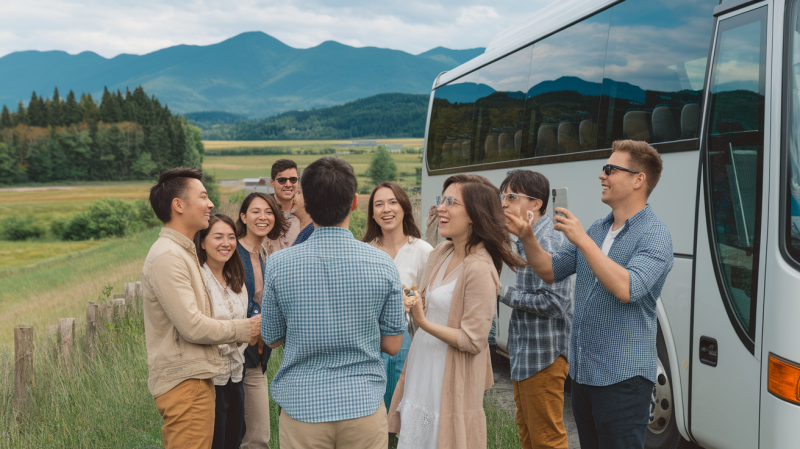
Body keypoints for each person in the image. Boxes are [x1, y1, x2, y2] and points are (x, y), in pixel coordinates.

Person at [508, 140, 674, 449]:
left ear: (639, 179)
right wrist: (527, 236)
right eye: (603, 168)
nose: (602, 175)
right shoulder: (599, 228)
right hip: (584, 375)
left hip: (623, 380)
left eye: (611, 169)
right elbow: (549, 270)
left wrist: (583, 241)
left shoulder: (655, 234)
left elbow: (629, 287)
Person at [260, 156, 406, 449]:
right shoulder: (382, 263)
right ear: (354, 202)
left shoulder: (278, 264)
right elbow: (392, 345)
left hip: (302, 408)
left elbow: (272, 338)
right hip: (363, 406)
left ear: (307, 204)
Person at [388, 174, 526, 449]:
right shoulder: (441, 252)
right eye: (443, 200)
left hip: (449, 375)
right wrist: (415, 303)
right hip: (423, 366)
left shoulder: (480, 266)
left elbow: (474, 340)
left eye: (451, 202)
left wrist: (422, 321)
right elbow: (427, 307)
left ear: (474, 214)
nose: (441, 207)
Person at [141, 167, 260, 449]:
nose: (210, 204)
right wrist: (245, 328)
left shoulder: (182, 252)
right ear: (178, 205)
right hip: (186, 380)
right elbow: (192, 325)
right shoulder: (168, 256)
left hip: (196, 378)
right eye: (203, 197)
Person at [500, 170, 574, 449]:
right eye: (502, 196)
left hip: (545, 355)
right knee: (528, 437)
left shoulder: (550, 239)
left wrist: (504, 294)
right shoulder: (524, 237)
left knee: (547, 440)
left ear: (536, 204)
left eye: (511, 196)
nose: (504, 203)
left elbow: (555, 303)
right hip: (525, 354)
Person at [362, 181, 433, 408]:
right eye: (379, 204)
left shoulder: (423, 250)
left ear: (404, 208)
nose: (386, 209)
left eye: (393, 202)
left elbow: (431, 299)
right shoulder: (364, 251)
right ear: (372, 214)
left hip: (412, 336)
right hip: (371, 338)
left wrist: (412, 303)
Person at [236, 192, 288, 449]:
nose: (263, 217)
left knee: (258, 437)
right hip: (232, 356)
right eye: (256, 211)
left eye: (268, 212)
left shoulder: (267, 255)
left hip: (258, 359)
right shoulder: (231, 251)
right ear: (244, 217)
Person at [194, 213, 249, 449]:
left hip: (236, 373)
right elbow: (198, 327)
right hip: (209, 377)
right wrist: (239, 335)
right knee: (214, 440)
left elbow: (245, 322)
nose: (226, 243)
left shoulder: (235, 277)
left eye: (231, 237)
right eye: (218, 237)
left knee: (234, 438)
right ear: (203, 242)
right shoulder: (197, 278)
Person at [266, 159, 301, 254]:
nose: (288, 185)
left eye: (293, 180)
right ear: (272, 183)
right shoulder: (263, 210)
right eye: (282, 180)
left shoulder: (305, 212)